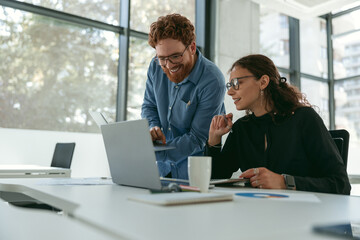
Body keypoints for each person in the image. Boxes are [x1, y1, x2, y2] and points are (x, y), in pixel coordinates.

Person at [206, 54, 351, 195]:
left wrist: (285, 182)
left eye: (237, 83)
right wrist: (214, 141)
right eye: (229, 85)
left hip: (304, 214)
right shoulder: (241, 128)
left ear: (263, 82)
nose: (230, 92)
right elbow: (216, 178)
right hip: (258, 213)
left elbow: (341, 184)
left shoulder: (304, 119)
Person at [141, 14, 226, 179]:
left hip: (193, 173)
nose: (169, 65)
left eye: (175, 56)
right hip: (161, 171)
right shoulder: (155, 66)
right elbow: (149, 106)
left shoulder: (212, 80)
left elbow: (197, 138)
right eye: (162, 58)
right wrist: (153, 127)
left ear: (192, 48)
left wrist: (152, 153)